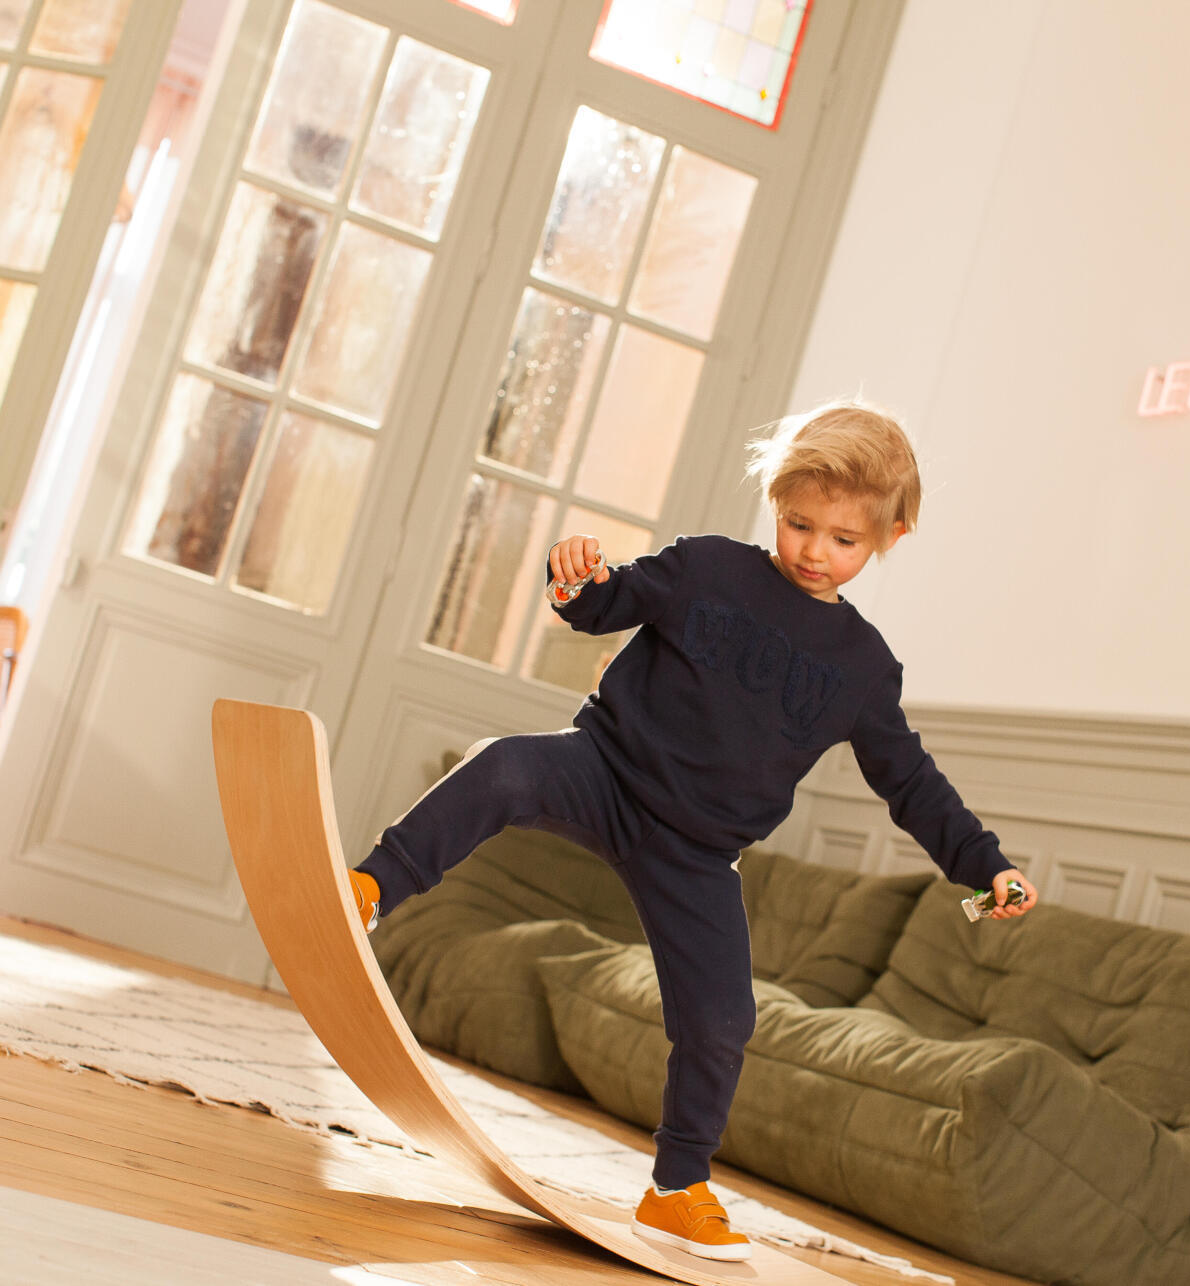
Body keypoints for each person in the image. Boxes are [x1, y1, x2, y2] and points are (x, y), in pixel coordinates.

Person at [347, 399, 1038, 1260]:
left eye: (844, 540)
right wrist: (576, 574)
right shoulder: (707, 567)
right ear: (775, 502)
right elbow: (602, 605)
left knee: (721, 1019)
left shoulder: (863, 669)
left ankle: (677, 1188)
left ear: (891, 537)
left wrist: (983, 864)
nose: (814, 551)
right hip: (603, 771)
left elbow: (911, 783)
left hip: (698, 853)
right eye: (798, 524)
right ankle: (371, 888)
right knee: (504, 766)